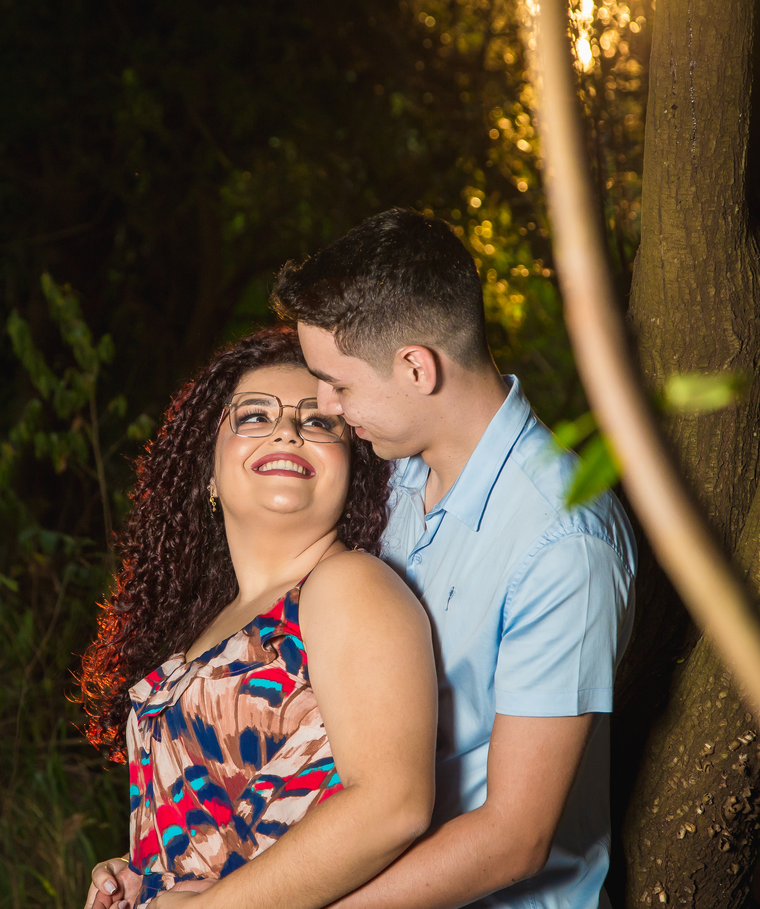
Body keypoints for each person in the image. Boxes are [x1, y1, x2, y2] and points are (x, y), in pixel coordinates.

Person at [272, 208, 637, 909]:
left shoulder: (565, 542)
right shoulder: (392, 475)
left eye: (339, 383)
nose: (326, 405)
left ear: (416, 366)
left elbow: (514, 837)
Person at [80, 327, 438, 909]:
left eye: (318, 422)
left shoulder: (350, 586)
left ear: (352, 470)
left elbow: (393, 806)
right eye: (253, 416)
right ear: (208, 471)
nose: (287, 431)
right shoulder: (212, 622)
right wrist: (141, 870)